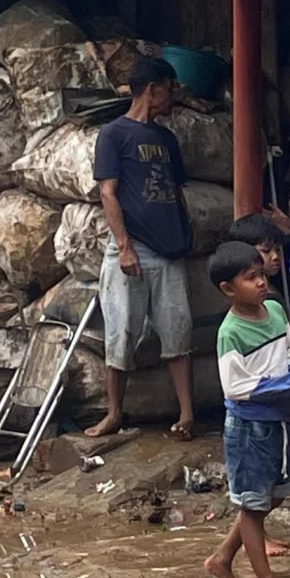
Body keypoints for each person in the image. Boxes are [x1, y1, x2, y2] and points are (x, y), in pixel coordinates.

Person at [89, 57, 200, 441]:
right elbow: (108, 193)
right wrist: (123, 247)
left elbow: (177, 191)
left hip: (170, 251)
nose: (173, 98)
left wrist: (186, 233)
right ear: (152, 90)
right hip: (133, 247)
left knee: (178, 333)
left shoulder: (167, 140)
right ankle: (114, 413)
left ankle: (186, 415)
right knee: (120, 333)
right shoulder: (114, 134)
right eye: (170, 89)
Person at [205, 242, 290, 578]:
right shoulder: (230, 333)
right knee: (253, 504)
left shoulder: (276, 310)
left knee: (274, 494)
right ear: (228, 289)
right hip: (250, 427)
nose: (262, 283)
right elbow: (236, 388)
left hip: (279, 420)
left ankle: (223, 557)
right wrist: (280, 386)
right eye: (251, 278)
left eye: (262, 275)